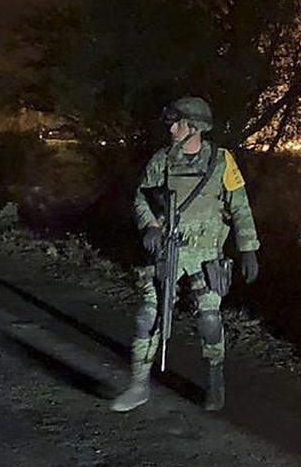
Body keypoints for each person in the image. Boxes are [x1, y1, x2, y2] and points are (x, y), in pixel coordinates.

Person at [110, 97, 261, 413]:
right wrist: (150, 226)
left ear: (196, 127)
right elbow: (142, 196)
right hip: (168, 250)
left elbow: (240, 207)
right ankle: (138, 385)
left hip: (206, 255)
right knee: (147, 316)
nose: (172, 128)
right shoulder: (162, 160)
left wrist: (248, 249)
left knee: (209, 320)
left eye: (178, 122)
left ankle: (215, 379)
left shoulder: (221, 161)